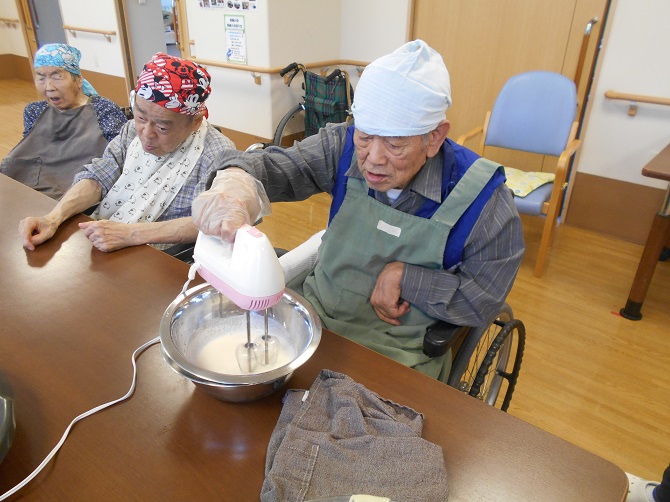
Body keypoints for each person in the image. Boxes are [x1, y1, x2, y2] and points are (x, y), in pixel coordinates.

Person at [192, 40, 525, 382]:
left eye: (394, 144)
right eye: (366, 137)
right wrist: (233, 186)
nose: (374, 159)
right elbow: (270, 167)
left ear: (435, 137)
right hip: (314, 323)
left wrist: (407, 278)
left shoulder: (485, 204)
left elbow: (481, 299)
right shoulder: (344, 145)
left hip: (399, 355)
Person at [18, 52, 235, 253]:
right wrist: (53, 218)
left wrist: (130, 233)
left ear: (195, 121)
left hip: (161, 257)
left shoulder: (216, 153)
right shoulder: (131, 131)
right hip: (107, 240)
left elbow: (214, 220)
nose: (146, 134)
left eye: (162, 127)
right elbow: (99, 176)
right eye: (141, 117)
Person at [1, 43, 127, 200]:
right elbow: (29, 152)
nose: (49, 87)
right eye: (40, 77)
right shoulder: (34, 111)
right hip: (31, 186)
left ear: (78, 80)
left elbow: (119, 157)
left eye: (57, 76)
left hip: (78, 191)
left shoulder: (104, 109)